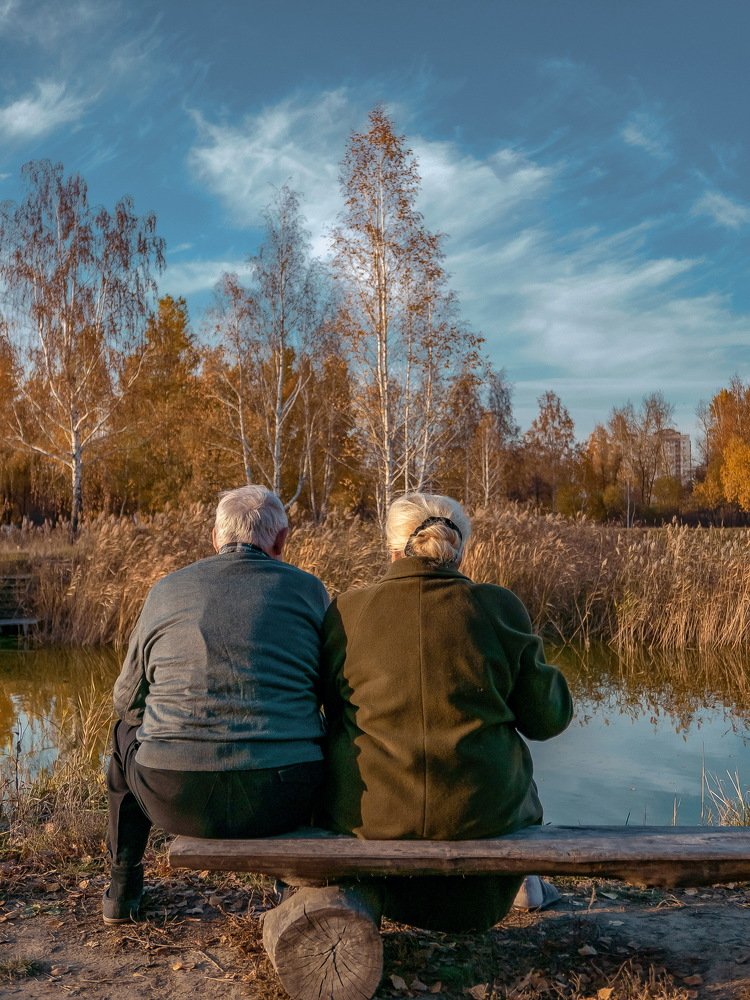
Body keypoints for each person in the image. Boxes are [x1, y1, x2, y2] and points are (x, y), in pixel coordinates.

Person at [319, 492, 573, 932]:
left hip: (371, 829)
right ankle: (527, 882)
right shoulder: (497, 606)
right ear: (461, 550)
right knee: (512, 767)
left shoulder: (348, 610)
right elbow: (547, 720)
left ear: (392, 549)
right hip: (485, 862)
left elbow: (328, 710)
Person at [104, 485, 329, 924]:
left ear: (215, 537)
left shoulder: (166, 591)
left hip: (174, 796)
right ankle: (295, 886)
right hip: (283, 796)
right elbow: (331, 695)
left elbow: (126, 701)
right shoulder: (309, 591)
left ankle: (122, 888)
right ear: (281, 539)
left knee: (123, 734)